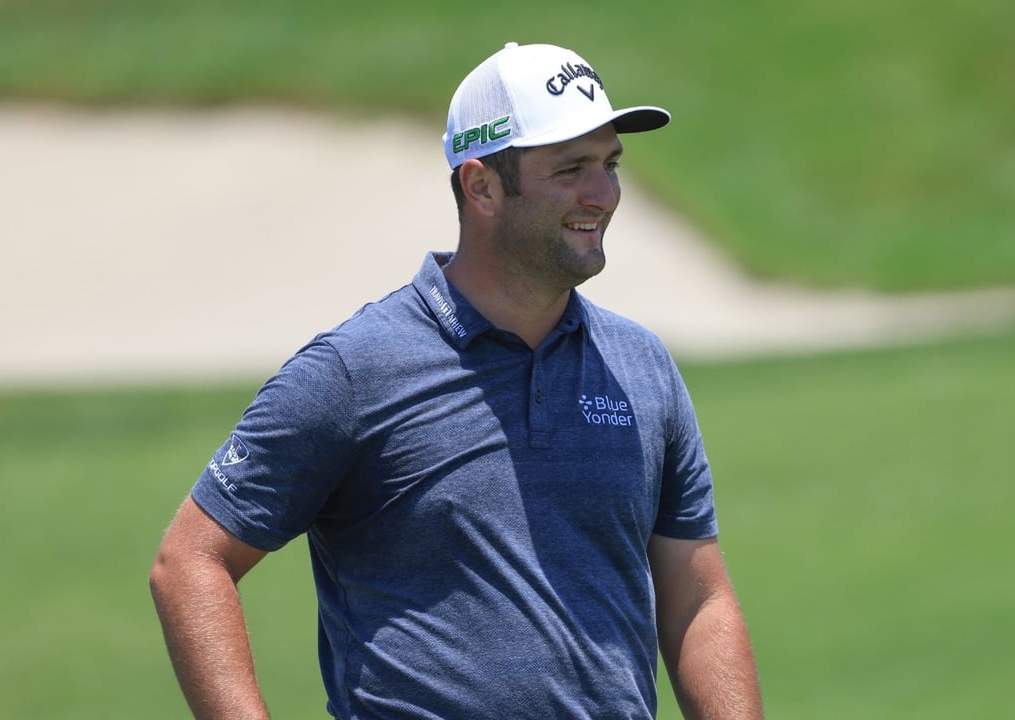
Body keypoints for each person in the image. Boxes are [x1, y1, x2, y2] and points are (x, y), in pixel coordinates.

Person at [150, 41, 764, 719]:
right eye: (570, 169)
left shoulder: (641, 366)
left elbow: (698, 600)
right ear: (481, 187)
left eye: (610, 164)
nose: (603, 194)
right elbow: (190, 563)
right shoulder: (356, 370)